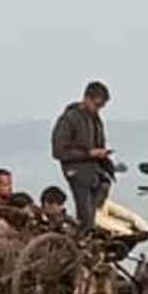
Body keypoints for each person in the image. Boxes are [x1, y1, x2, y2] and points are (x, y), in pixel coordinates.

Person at [51, 80, 113, 232]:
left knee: (101, 193)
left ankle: (86, 235)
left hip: (93, 170)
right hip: (76, 170)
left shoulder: (96, 120)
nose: (98, 109)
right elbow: (58, 151)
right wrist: (88, 153)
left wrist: (102, 155)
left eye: (101, 106)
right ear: (87, 99)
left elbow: (99, 143)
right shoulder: (70, 118)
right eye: (97, 105)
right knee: (86, 214)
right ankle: (80, 242)